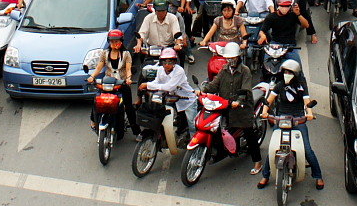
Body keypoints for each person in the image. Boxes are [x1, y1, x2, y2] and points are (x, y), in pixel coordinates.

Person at [257, 59, 324, 190]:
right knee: (273, 149)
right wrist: (265, 112)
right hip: (281, 119)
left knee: (307, 150)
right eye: (285, 72)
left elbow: (307, 102)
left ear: (296, 74)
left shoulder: (301, 86)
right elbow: (269, 100)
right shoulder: (280, 85)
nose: (287, 74)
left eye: (290, 72)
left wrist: (309, 114)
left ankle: (318, 176)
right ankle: (265, 175)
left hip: (298, 119)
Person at [201, 41, 262, 173]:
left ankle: (258, 162)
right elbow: (214, 84)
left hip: (242, 108)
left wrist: (239, 100)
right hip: (226, 106)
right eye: (228, 58)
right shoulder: (224, 70)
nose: (230, 61)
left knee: (249, 134)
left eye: (233, 58)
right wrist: (203, 90)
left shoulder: (245, 71)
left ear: (239, 57)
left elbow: (245, 90)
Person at [86, 29, 139, 137]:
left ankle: (136, 131)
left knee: (128, 107)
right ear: (109, 42)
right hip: (108, 83)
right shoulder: (105, 53)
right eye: (112, 41)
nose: (115, 44)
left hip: (121, 83)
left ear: (121, 41)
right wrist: (92, 77)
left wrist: (128, 79)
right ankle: (93, 121)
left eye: (117, 41)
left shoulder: (126, 54)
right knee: (97, 100)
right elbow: (99, 67)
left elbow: (128, 69)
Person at [139, 47, 198, 132]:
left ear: (174, 62)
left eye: (170, 62)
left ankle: (194, 144)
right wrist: (147, 85)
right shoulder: (160, 70)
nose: (167, 65)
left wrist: (148, 85)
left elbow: (170, 87)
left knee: (192, 125)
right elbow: (157, 82)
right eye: (164, 62)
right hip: (172, 99)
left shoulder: (179, 71)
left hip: (187, 100)